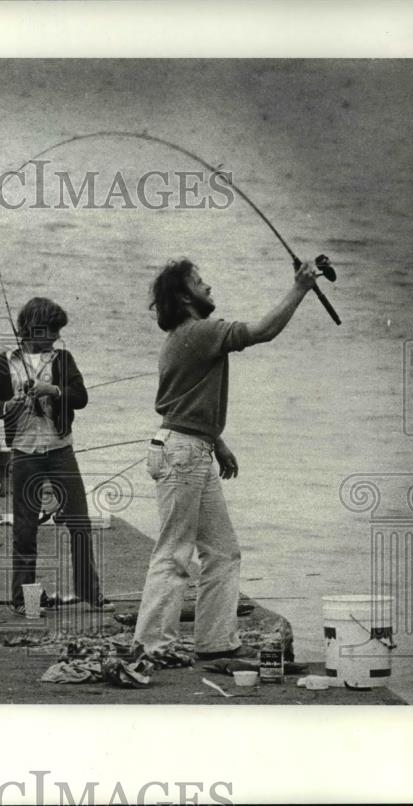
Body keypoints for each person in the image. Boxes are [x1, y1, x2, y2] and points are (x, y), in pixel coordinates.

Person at [132, 257, 320, 660]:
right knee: (174, 553)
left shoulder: (187, 336)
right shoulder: (199, 332)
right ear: (184, 297)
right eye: (200, 282)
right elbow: (263, 331)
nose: (209, 287)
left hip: (189, 447)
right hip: (182, 453)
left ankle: (216, 641)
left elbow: (187, 400)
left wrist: (216, 441)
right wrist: (300, 288)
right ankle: (151, 644)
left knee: (222, 551)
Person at [0, 297, 109, 614]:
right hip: (24, 453)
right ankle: (25, 602)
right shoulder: (3, 364)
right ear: (30, 328)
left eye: (58, 330)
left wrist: (52, 391)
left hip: (60, 450)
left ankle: (90, 593)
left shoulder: (63, 360)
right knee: (25, 531)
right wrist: (7, 407)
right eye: (50, 329)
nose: (55, 336)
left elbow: (80, 397)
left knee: (80, 522)